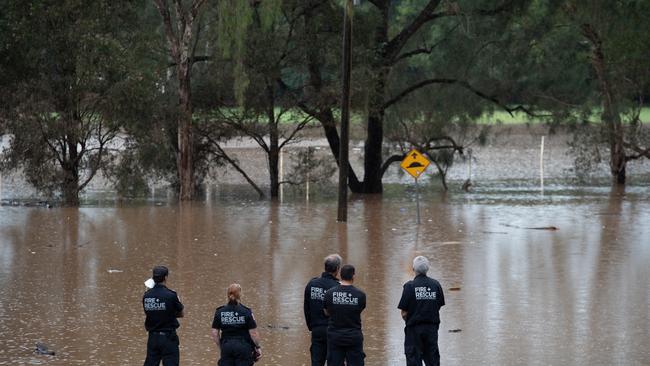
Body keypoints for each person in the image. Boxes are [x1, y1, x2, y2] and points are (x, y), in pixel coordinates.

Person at [398, 256, 445, 366]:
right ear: (427, 268)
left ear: (413, 269)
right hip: (431, 329)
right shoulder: (436, 285)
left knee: (413, 360)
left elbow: (404, 312)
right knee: (433, 360)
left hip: (414, 329)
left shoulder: (409, 286)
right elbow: (438, 305)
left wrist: (411, 320)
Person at [324, 264, 366, 366]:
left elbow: (326, 312)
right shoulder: (360, 295)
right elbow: (359, 310)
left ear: (340, 275)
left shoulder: (329, 293)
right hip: (354, 336)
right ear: (353, 276)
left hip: (335, 336)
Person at [304, 254, 342, 366]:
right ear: (337, 269)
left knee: (316, 362)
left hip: (317, 330)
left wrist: (311, 326)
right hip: (333, 331)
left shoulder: (312, 284)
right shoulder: (338, 287)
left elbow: (306, 308)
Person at [143, 266, 184, 366]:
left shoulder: (146, 295)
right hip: (168, 337)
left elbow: (149, 312)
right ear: (165, 278)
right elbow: (181, 313)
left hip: (152, 338)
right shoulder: (171, 295)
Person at [211, 283, 262, 365]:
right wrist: (258, 347)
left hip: (226, 346)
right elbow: (253, 333)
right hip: (243, 347)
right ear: (240, 294)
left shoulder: (219, 312)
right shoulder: (247, 311)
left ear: (227, 295)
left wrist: (221, 347)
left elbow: (214, 333)